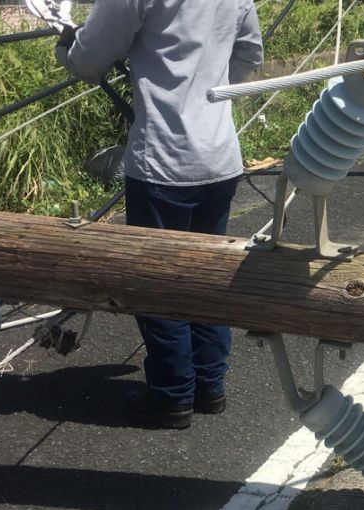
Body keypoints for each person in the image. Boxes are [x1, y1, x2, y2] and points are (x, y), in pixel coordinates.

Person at [54, 0, 264, 429]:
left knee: (157, 282)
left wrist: (66, 48)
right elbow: (249, 52)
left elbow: (88, 60)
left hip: (164, 163)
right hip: (219, 157)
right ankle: (208, 385)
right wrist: (204, 93)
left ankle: (171, 394)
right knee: (208, 277)